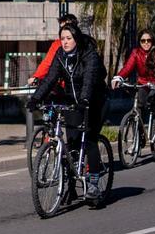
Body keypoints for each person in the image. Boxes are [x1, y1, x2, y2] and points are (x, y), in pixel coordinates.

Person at [27, 23, 108, 199]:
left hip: (94, 100)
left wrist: (85, 99)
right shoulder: (60, 55)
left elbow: (89, 80)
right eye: (62, 38)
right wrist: (35, 98)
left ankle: (93, 184)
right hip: (73, 100)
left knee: (89, 140)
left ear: (76, 39)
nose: (65, 42)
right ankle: (70, 187)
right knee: (71, 142)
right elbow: (50, 79)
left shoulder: (88, 54)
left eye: (68, 38)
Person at [111, 29, 155, 131]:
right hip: (143, 84)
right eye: (143, 41)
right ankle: (138, 139)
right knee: (138, 106)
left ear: (152, 41)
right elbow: (127, 67)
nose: (146, 43)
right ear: (139, 42)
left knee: (152, 98)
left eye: (148, 40)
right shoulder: (136, 53)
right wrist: (118, 77)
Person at [27, 14, 81, 87]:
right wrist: (36, 77)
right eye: (62, 28)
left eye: (66, 28)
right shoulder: (57, 44)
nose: (63, 31)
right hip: (64, 86)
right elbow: (48, 62)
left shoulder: (86, 44)